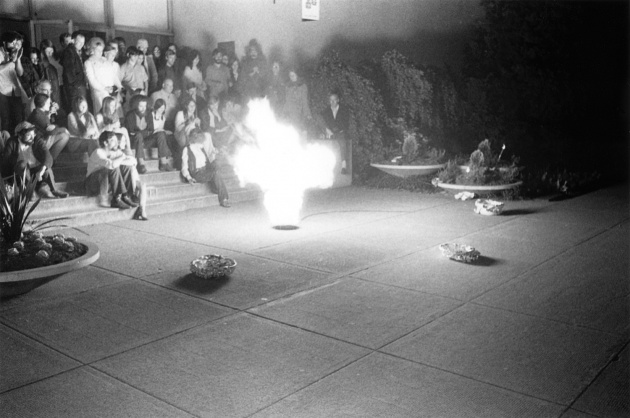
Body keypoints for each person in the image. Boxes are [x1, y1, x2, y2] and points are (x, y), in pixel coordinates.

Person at [0, 121, 68, 198]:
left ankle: (54, 189)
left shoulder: (37, 140)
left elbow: (48, 156)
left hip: (36, 173)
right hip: (20, 175)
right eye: (28, 135)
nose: (32, 137)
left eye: (33, 134)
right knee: (22, 164)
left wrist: (41, 170)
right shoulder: (12, 142)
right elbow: (5, 163)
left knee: (47, 169)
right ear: (19, 135)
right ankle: (30, 191)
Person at [85, 130, 139, 210]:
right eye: (113, 141)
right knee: (113, 168)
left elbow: (133, 161)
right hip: (92, 185)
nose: (117, 143)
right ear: (105, 143)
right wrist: (121, 159)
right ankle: (116, 199)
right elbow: (111, 165)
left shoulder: (115, 152)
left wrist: (119, 161)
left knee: (126, 167)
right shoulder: (98, 152)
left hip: (107, 183)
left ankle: (125, 196)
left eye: (117, 141)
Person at [181, 128, 229, 207]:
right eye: (198, 137)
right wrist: (189, 177)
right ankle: (224, 199)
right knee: (215, 172)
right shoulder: (187, 149)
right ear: (194, 137)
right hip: (196, 173)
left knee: (217, 165)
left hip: (204, 170)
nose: (201, 139)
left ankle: (216, 188)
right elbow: (184, 167)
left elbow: (207, 160)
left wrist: (215, 154)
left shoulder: (201, 147)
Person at [124, 95, 173, 173]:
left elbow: (151, 129)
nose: (144, 108)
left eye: (145, 106)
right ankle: (141, 164)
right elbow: (131, 132)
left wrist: (145, 132)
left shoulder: (148, 114)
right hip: (135, 141)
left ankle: (163, 163)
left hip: (146, 141)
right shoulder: (130, 115)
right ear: (136, 106)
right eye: (141, 106)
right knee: (138, 135)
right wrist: (145, 133)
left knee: (161, 133)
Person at [27, 92, 70, 160]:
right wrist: (62, 129)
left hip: (40, 140)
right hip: (38, 143)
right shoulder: (38, 115)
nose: (49, 105)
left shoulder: (38, 112)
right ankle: (49, 160)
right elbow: (51, 131)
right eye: (48, 103)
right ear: (42, 104)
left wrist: (50, 113)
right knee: (64, 136)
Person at [84, 37, 122, 115]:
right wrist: (104, 88)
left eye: (101, 50)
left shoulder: (104, 59)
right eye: (98, 50)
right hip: (99, 92)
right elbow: (92, 80)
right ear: (92, 50)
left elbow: (113, 75)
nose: (100, 53)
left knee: (117, 110)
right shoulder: (88, 62)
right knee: (104, 113)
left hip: (111, 90)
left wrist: (119, 86)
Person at [0, 31, 28, 134]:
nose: (14, 45)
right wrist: (11, 61)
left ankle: (19, 144)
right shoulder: (0, 53)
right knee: (6, 119)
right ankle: (7, 144)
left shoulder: (14, 52)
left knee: (18, 118)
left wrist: (18, 60)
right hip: (2, 91)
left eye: (16, 43)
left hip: (15, 90)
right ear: (4, 42)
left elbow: (20, 73)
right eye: (12, 42)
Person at [321, 92, 351, 174]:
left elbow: (346, 123)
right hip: (330, 132)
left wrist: (339, 129)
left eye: (334, 100)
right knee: (325, 144)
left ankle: (343, 166)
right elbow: (323, 122)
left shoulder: (344, 110)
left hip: (340, 132)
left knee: (342, 144)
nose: (332, 102)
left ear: (338, 100)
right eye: (331, 100)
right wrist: (326, 129)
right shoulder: (326, 111)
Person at [61, 31, 87, 113]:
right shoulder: (69, 52)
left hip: (79, 85)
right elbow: (69, 72)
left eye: (83, 42)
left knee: (81, 109)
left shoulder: (78, 51)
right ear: (73, 40)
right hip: (75, 88)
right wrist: (77, 85)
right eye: (79, 42)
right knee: (75, 109)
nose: (81, 45)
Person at [119, 46, 148, 113]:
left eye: (137, 55)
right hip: (130, 92)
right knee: (131, 111)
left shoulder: (141, 67)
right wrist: (127, 89)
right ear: (128, 55)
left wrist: (146, 91)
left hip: (141, 92)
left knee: (142, 111)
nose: (136, 57)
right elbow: (119, 82)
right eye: (134, 55)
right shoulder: (123, 67)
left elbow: (146, 80)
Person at [283, 68, 312, 134]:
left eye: (293, 75)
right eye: (290, 76)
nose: (292, 77)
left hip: (299, 112)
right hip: (290, 111)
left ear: (297, 75)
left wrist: (307, 114)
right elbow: (287, 100)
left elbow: (305, 101)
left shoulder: (302, 86)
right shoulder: (288, 86)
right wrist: (284, 112)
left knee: (300, 130)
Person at [39, 39, 63, 106]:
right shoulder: (43, 63)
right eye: (47, 51)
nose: (50, 53)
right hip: (54, 88)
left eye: (51, 50)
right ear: (43, 52)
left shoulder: (57, 57)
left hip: (61, 86)